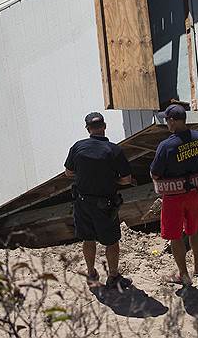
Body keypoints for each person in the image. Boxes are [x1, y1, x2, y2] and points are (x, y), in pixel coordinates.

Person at [64, 112, 135, 290]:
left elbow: (68, 172)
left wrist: (85, 175)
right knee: (111, 242)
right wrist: (112, 180)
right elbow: (126, 179)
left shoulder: (78, 147)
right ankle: (113, 276)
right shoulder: (114, 150)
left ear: (88, 129)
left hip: (82, 202)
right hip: (105, 205)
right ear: (104, 127)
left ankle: (91, 273)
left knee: (88, 239)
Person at [150, 104, 198, 287]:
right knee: (195, 230)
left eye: (167, 120)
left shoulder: (166, 146)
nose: (166, 123)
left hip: (173, 197)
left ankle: (184, 275)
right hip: (194, 193)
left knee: (175, 236)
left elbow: (155, 174)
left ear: (172, 121)